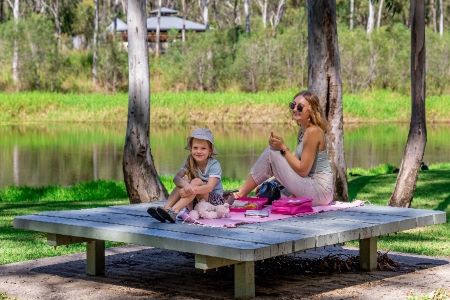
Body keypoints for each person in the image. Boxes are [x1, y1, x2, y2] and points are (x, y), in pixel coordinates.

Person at [226, 90, 333, 206]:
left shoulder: (313, 132)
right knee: (267, 193)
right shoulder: (303, 130)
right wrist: (270, 180)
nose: (295, 109)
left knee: (271, 153)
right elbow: (294, 164)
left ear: (311, 110)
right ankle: (246, 194)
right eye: (293, 105)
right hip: (309, 185)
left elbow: (303, 170)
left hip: (319, 191)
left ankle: (239, 195)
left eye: (300, 107)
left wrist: (283, 148)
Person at [148, 128, 224, 223]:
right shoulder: (190, 161)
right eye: (195, 148)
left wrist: (191, 189)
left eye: (203, 148)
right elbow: (176, 178)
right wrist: (186, 186)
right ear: (191, 148)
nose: (198, 151)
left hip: (214, 200)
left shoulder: (214, 164)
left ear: (210, 151)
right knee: (183, 183)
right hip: (196, 197)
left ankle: (174, 211)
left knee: (196, 181)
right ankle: (166, 209)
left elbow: (209, 187)